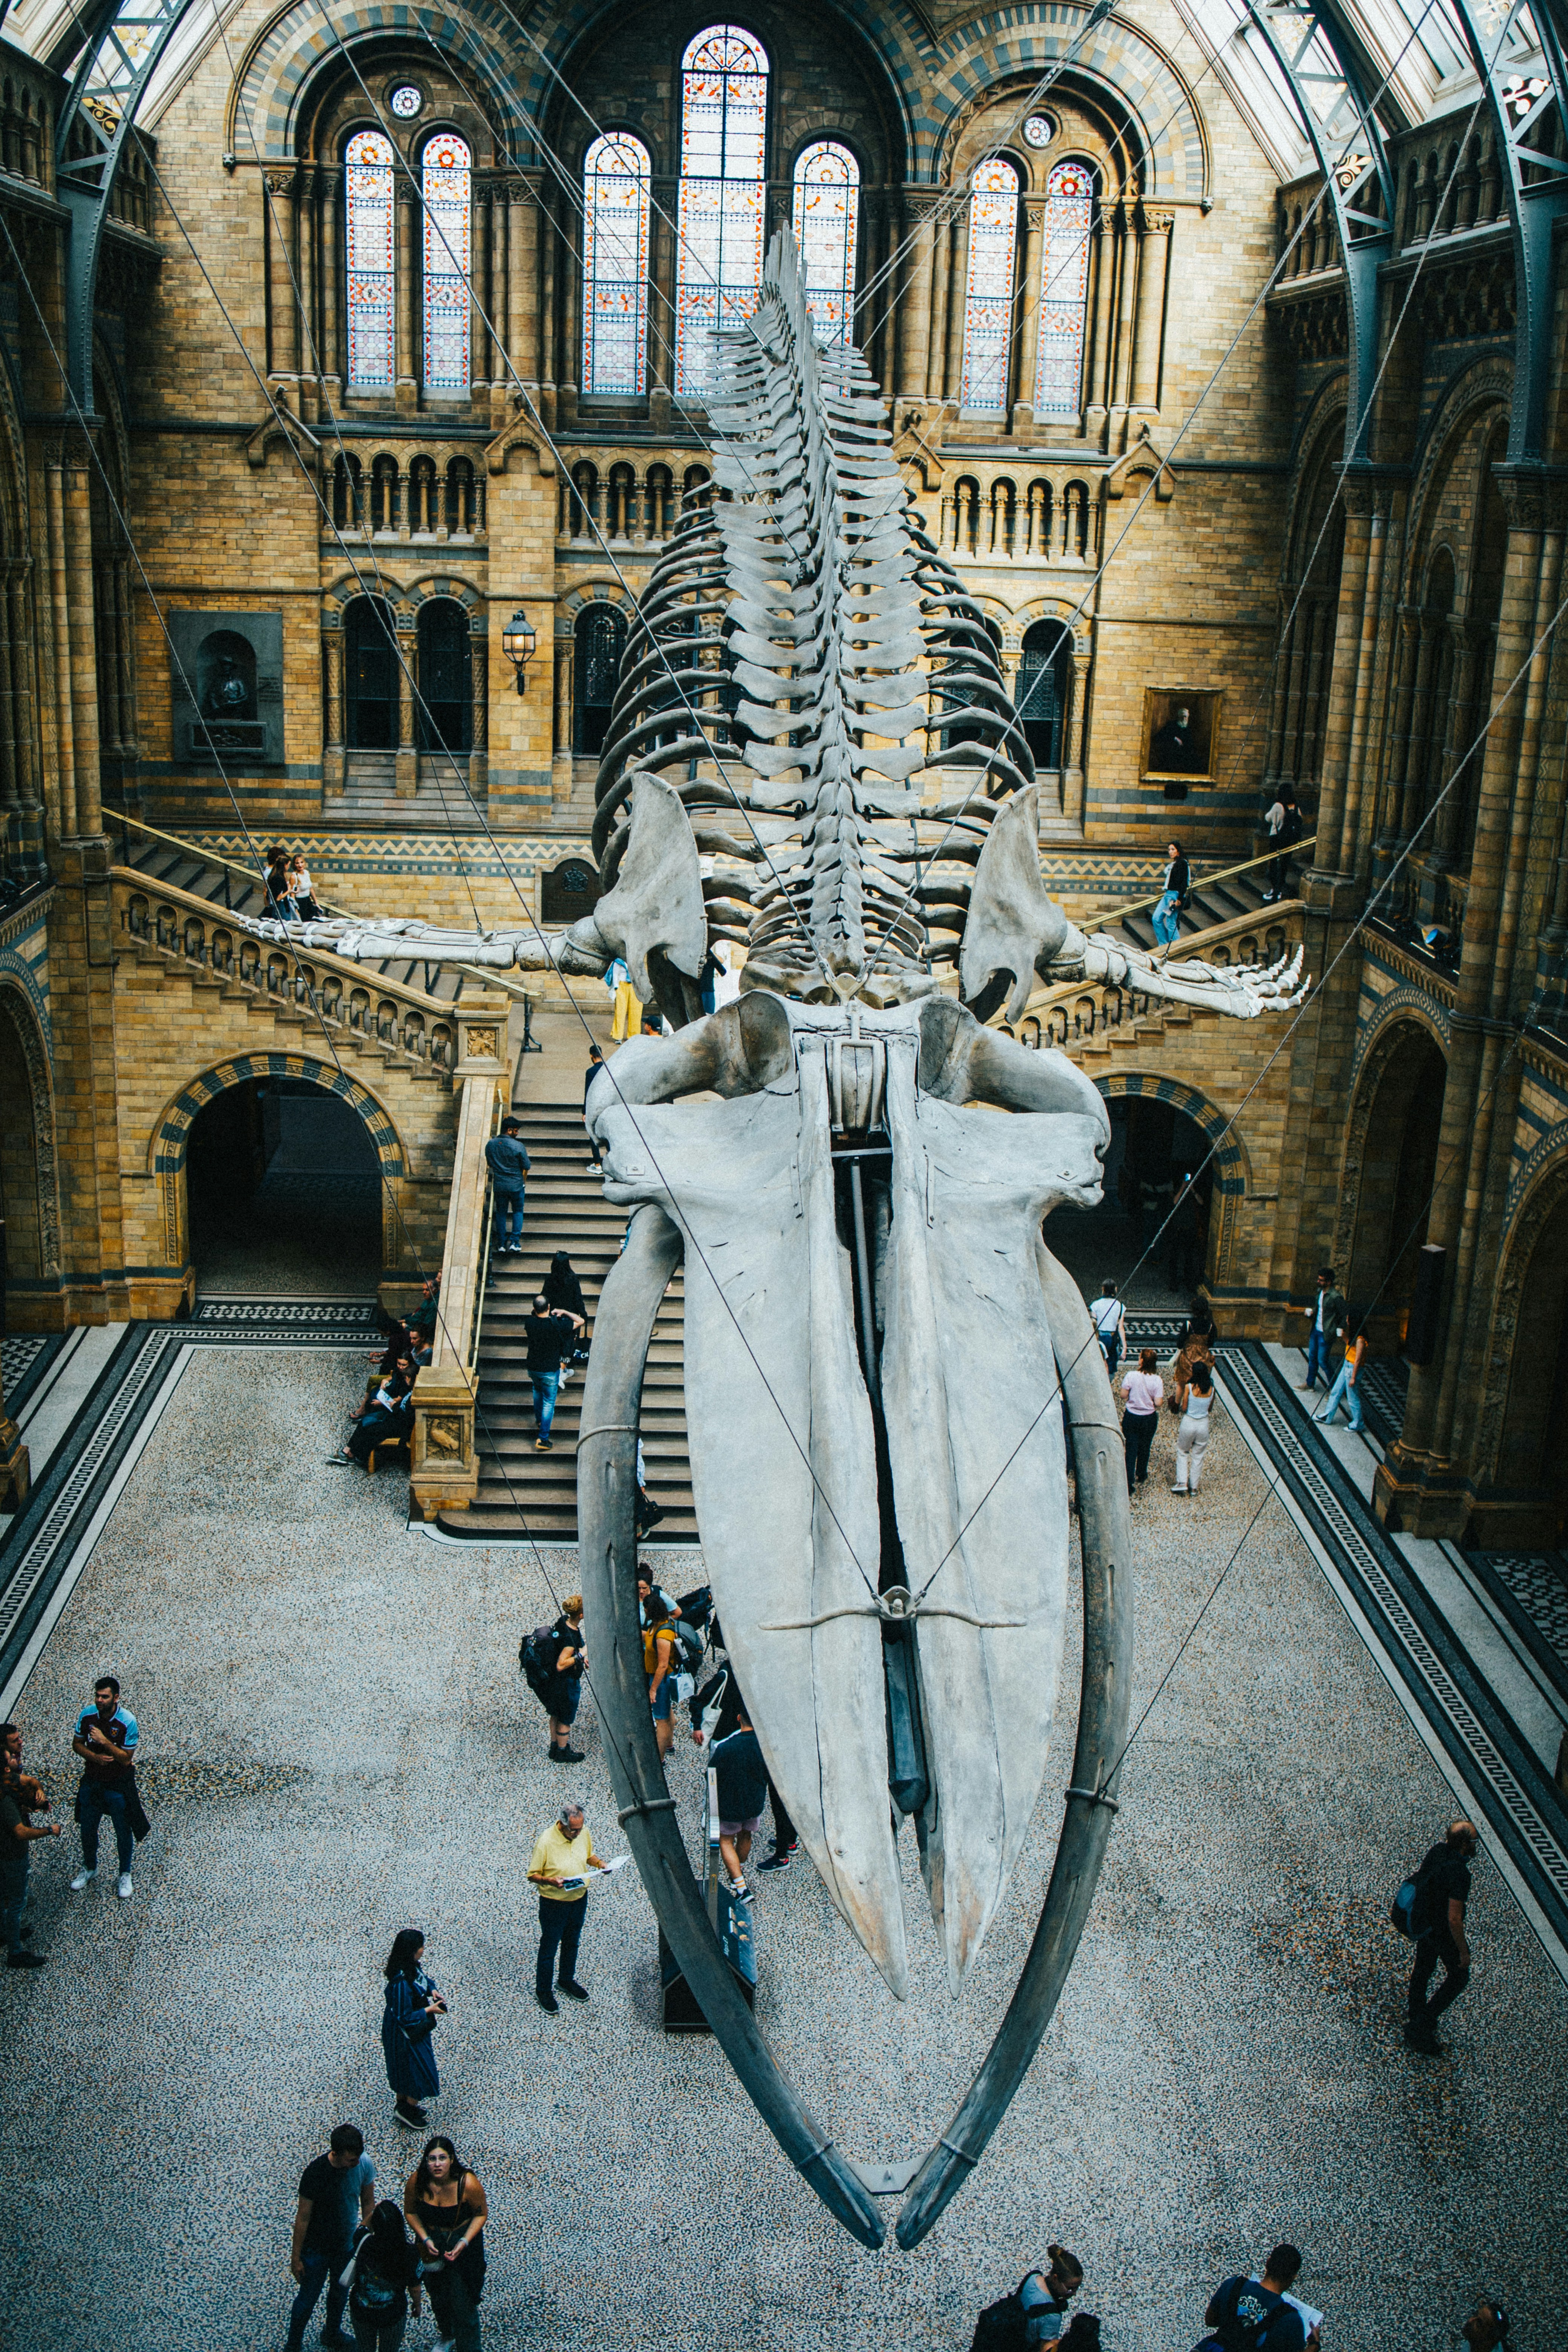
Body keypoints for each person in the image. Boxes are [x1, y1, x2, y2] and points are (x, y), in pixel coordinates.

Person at [286, 2123, 377, 2352]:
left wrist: (367, 2238)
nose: (355, 2164)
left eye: (357, 2158)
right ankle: (293, 2345)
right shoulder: (315, 2174)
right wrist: (296, 2258)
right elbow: (303, 2218)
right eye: (350, 2160)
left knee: (339, 2294)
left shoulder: (363, 2163)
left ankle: (332, 2333)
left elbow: (368, 2202)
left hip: (345, 2246)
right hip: (316, 2250)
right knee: (307, 2299)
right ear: (335, 2154)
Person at [404, 2138, 488, 2352]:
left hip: (462, 2244)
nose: (437, 2164)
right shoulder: (417, 2182)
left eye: (442, 2158)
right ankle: (448, 2332)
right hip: (431, 2244)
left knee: (464, 2301)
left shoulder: (467, 2183)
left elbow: (481, 2214)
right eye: (432, 2159)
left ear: (452, 2160)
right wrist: (425, 2238)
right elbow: (411, 2212)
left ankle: (470, 2347)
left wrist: (464, 2241)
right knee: (437, 2294)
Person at [69, 1675, 146, 1900]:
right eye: (97, 1696)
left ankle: (125, 1873)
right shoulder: (87, 1715)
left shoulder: (128, 1721)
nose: (100, 1700)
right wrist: (95, 1757)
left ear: (116, 1698)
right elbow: (77, 1744)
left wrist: (105, 1742)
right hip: (93, 1781)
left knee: (123, 1829)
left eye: (105, 1697)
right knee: (88, 1826)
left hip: (118, 1785)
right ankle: (90, 1867)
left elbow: (126, 1759)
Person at [1406, 1817, 1479, 2053]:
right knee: (1459, 1977)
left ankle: (1416, 2017)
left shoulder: (1437, 1851)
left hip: (1425, 1923)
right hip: (1443, 1933)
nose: (1476, 1845)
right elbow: (1454, 1919)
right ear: (1465, 1845)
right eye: (1474, 1841)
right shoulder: (1461, 1874)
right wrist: (1464, 1951)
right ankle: (1422, 2024)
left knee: (1423, 1971)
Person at [528, 1799, 605, 2012]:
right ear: (562, 1825)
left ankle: (566, 1980)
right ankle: (543, 1990)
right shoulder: (545, 1842)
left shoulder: (583, 1833)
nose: (578, 1834)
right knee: (549, 1948)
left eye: (580, 1829)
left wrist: (601, 1864)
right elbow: (532, 1875)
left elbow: (588, 1855)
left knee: (572, 1942)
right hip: (554, 1903)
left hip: (579, 1898)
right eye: (574, 1831)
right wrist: (551, 1881)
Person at [1, 1726, 63, 1966]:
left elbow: (30, 1781)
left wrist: (35, 1793)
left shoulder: (7, 1783)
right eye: (10, 1759)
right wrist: (49, 1830)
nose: (20, 1748)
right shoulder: (4, 1796)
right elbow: (20, 1832)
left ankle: (6, 1933)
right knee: (17, 1902)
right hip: (12, 1854)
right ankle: (15, 1952)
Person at [381, 1927, 446, 2129]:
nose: (423, 1950)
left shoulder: (410, 1967)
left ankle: (404, 2106)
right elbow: (403, 2017)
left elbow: (424, 1980)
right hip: (405, 2035)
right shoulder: (400, 1982)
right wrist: (429, 2010)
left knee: (405, 2071)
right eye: (421, 1947)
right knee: (417, 2071)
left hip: (412, 2031)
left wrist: (432, 1990)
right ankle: (407, 2109)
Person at [1200, 2245, 1319, 2351]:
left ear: (1268, 2263)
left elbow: (1210, 2321)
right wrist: (1314, 2344)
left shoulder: (1234, 2285)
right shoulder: (1291, 2320)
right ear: (1293, 2277)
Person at [343, 2200, 423, 2352]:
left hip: (362, 2311)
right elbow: (415, 2287)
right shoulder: (410, 2254)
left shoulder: (363, 2241)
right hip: (392, 2314)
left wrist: (375, 2213)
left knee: (365, 2348)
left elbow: (363, 2227)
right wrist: (417, 2305)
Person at [971, 2246, 1084, 2349]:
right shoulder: (1052, 2316)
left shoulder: (1034, 2277)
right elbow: (1045, 2348)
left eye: (1078, 2288)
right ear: (1055, 2279)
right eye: (1071, 2289)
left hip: (996, 2333)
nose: (1074, 2294)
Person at [711, 1698, 768, 1899]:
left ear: (739, 1719)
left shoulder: (726, 1747)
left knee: (725, 1840)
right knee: (746, 1835)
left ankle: (741, 1887)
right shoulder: (765, 1747)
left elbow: (712, 1775)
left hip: (730, 1804)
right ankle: (739, 1868)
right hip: (755, 1802)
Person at [332, 1355, 416, 1467]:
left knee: (369, 1428)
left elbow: (405, 1415)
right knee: (366, 1422)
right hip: (393, 1417)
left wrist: (392, 1405)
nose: (406, 1380)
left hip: (397, 1424)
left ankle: (353, 1454)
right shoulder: (410, 1390)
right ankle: (348, 1451)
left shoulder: (411, 1395)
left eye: (407, 1379)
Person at [523, 1293, 577, 1452]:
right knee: (549, 1403)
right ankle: (543, 1438)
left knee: (537, 1392)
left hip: (533, 1367)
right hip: (550, 1369)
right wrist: (564, 1312)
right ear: (549, 1308)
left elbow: (535, 1317)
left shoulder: (529, 1323)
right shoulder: (557, 1324)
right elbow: (580, 1321)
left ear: (534, 1309)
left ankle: (540, 1421)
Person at [541, 1596, 588, 1764]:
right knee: (566, 1718)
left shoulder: (563, 1622)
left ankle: (554, 1746)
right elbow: (562, 1664)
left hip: (554, 1682)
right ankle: (563, 1751)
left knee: (556, 1713)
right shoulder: (572, 1638)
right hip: (566, 1683)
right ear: (581, 1616)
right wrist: (581, 1655)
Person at [639, 1571, 679, 1758]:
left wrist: (653, 1689)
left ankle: (659, 1758)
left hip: (660, 1680)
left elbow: (662, 1665)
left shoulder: (664, 1633)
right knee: (667, 1712)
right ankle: (669, 1745)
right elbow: (649, 1638)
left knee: (661, 1720)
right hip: (658, 1677)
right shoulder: (656, 1626)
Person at [484, 1116, 530, 1257]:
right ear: (509, 1130)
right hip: (516, 1185)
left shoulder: (491, 1145)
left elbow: (491, 1162)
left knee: (501, 1213)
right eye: (516, 1131)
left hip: (500, 1185)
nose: (517, 1133)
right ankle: (515, 1242)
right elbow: (527, 1166)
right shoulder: (518, 1146)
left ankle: (502, 1244)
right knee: (518, 1212)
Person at [1314, 1313, 1367, 1433]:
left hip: (1352, 1368)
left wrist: (1353, 1377)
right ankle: (1328, 1416)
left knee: (1352, 1397)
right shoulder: (1355, 1334)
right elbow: (1350, 1346)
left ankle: (1358, 1423)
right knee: (1336, 1391)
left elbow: (1358, 1360)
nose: (1347, 1320)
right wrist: (1344, 1336)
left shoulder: (1361, 1340)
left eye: (1349, 1318)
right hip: (1347, 1365)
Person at [1120, 1348, 1164, 1494]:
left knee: (1131, 1449)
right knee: (1145, 1447)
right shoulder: (1157, 1380)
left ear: (1143, 1361)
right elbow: (1158, 1403)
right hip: (1149, 1418)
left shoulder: (1131, 1376)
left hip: (1132, 1416)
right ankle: (1142, 1473)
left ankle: (1128, 1481)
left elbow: (1123, 1395)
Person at [1172, 1359, 1215, 1494]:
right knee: (1198, 1455)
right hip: (1203, 1424)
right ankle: (1194, 1487)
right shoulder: (1212, 1390)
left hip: (1189, 1422)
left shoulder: (1189, 1388)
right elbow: (1209, 1409)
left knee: (1183, 1451)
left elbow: (1184, 1408)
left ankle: (1182, 1482)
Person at [1300, 1266, 1346, 1392]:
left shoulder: (1336, 1297)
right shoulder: (1320, 1293)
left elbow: (1344, 1314)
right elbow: (1320, 1310)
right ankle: (1310, 1384)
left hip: (1326, 1333)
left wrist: (1339, 1329)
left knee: (1323, 1361)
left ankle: (1334, 1389)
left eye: (1322, 1280)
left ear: (1329, 1282)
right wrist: (1311, 1314)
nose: (1319, 1282)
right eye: (1319, 1279)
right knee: (1313, 1358)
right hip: (1316, 1330)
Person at [1262, 785, 1302, 902]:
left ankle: (1275, 891)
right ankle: (1279, 889)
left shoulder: (1278, 806)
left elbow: (1268, 818)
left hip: (1277, 838)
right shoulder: (1296, 807)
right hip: (1290, 841)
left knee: (1274, 863)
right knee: (1284, 865)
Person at [1151, 840, 1189, 949]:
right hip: (1167, 895)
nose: (1170, 852)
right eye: (1169, 850)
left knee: (1171, 923)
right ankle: (1164, 945)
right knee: (1156, 918)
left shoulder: (1183, 863)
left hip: (1174, 896)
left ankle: (1176, 948)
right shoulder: (1174, 864)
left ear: (1178, 851)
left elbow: (1184, 883)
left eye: (1173, 849)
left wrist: (1179, 899)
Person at [1167, 1173, 1202, 1290]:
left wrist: (1192, 1190)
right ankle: (1174, 1283)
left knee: (1190, 1258)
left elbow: (1201, 1202)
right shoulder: (1177, 1189)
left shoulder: (1193, 1193)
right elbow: (1174, 1202)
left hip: (1190, 1229)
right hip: (1178, 1229)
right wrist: (1183, 1188)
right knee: (1175, 1258)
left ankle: (1189, 1282)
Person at [1150, 702, 1202, 773]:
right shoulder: (1171, 725)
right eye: (1183, 716)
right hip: (1171, 756)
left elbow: (1192, 745)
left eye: (1186, 717)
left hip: (1185, 757)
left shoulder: (1191, 729)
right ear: (1179, 716)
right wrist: (1174, 738)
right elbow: (1159, 736)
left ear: (1188, 717)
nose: (1184, 718)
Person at [1089, 1280, 1125, 1380]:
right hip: (1113, 1338)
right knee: (1111, 1365)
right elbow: (1121, 1328)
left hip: (1100, 1337)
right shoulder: (1120, 1306)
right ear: (1115, 1289)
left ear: (1103, 1290)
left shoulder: (1095, 1305)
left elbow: (1093, 1324)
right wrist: (1125, 1347)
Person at [584, 1043, 606, 1175]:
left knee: (592, 1134)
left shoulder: (590, 1072)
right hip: (608, 1106)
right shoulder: (609, 1069)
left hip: (594, 1106)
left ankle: (597, 1163)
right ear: (602, 1055)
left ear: (592, 1056)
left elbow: (588, 1093)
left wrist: (584, 1112)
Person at [607, 955, 640, 1042]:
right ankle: (618, 1037)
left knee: (635, 1011)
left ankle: (634, 1036)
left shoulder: (635, 959)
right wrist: (616, 988)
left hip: (634, 987)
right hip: (622, 986)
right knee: (620, 1011)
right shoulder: (619, 961)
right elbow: (615, 975)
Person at [288, 851, 322, 921]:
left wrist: (316, 903)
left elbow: (311, 889)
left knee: (316, 919)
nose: (300, 865)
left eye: (302, 862)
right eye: (297, 863)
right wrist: (296, 910)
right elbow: (292, 894)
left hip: (308, 901)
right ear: (294, 865)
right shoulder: (294, 876)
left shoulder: (307, 873)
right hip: (300, 903)